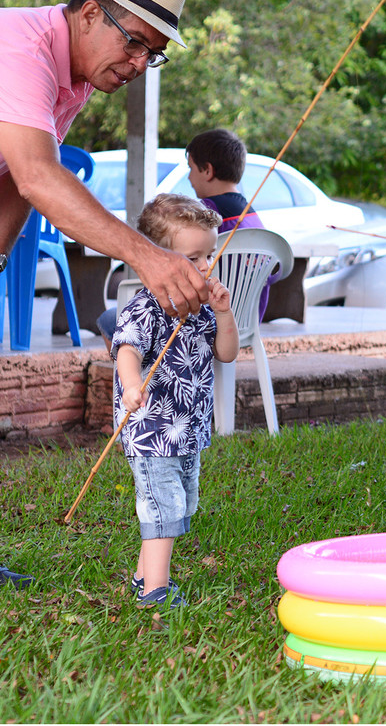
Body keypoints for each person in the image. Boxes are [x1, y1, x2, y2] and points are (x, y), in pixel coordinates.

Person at [0, 0, 204, 590]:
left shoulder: (69, 78)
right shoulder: (21, 50)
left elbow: (15, 176)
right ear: (92, 13)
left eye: (153, 55)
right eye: (135, 44)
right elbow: (41, 178)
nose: (139, 65)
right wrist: (149, 255)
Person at [112, 194, 238, 610]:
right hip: (151, 429)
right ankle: (156, 591)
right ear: (158, 259)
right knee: (163, 507)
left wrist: (224, 314)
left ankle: (142, 576)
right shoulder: (146, 307)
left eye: (209, 255)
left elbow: (227, 354)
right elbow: (127, 350)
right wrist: (132, 385)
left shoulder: (201, 307)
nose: (205, 266)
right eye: (193, 258)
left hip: (187, 430)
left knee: (178, 504)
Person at [94, 127, 271, 346]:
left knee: (109, 319)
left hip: (204, 312)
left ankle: (131, 367)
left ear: (207, 171)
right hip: (246, 320)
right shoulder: (251, 215)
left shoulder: (202, 216)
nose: (189, 177)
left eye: (191, 168)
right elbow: (274, 273)